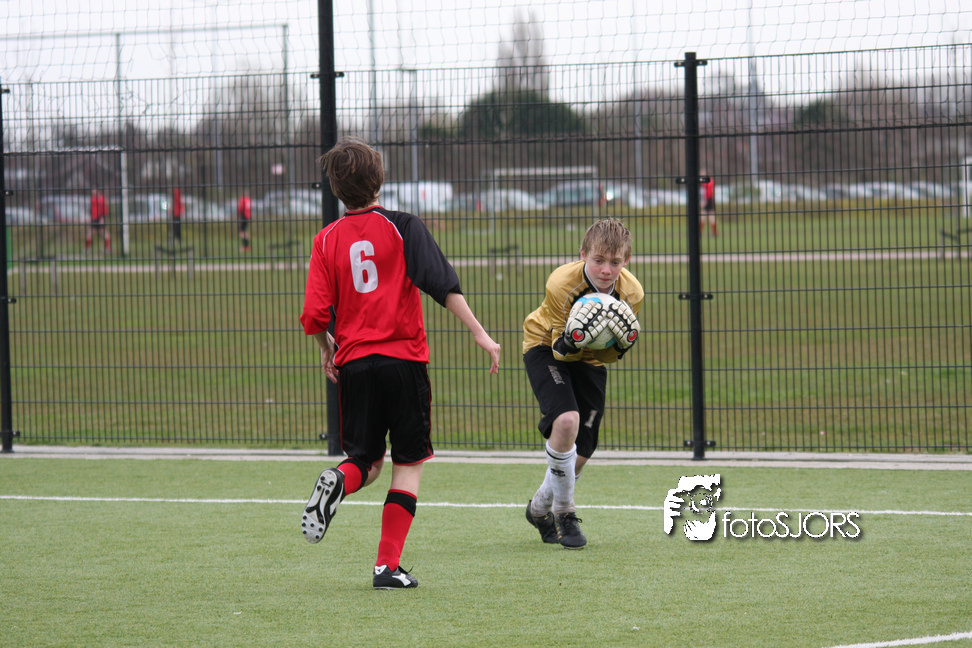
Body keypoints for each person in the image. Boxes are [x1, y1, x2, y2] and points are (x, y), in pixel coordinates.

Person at [299, 137, 501, 589]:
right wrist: (478, 331)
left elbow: (313, 314)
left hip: (355, 365)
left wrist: (326, 348)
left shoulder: (326, 239)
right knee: (407, 463)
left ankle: (339, 479)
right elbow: (440, 282)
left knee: (365, 461)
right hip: (404, 361)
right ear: (380, 180)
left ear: (336, 190)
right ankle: (386, 566)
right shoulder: (404, 226)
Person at [522, 218, 644, 549]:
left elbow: (607, 356)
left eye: (615, 262)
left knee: (584, 447)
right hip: (546, 346)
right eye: (598, 260)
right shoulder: (561, 283)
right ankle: (565, 513)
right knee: (566, 421)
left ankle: (539, 508)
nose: (606, 270)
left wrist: (620, 345)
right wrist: (575, 338)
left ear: (627, 260)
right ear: (583, 255)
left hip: (590, 359)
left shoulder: (632, 293)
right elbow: (560, 350)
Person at [85, 189, 110, 254]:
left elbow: (105, 209)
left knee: (104, 233)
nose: (93, 192)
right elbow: (90, 209)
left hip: (100, 218)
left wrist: (103, 217)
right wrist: (90, 216)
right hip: (94, 218)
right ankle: (87, 248)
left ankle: (107, 248)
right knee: (90, 233)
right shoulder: (93, 199)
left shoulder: (102, 199)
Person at [701, 170, 717, 236]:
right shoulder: (709, 181)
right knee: (710, 215)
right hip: (709, 200)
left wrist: (705, 201)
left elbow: (709, 192)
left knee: (704, 215)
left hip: (709, 200)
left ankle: (714, 231)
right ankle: (714, 232)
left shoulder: (709, 182)